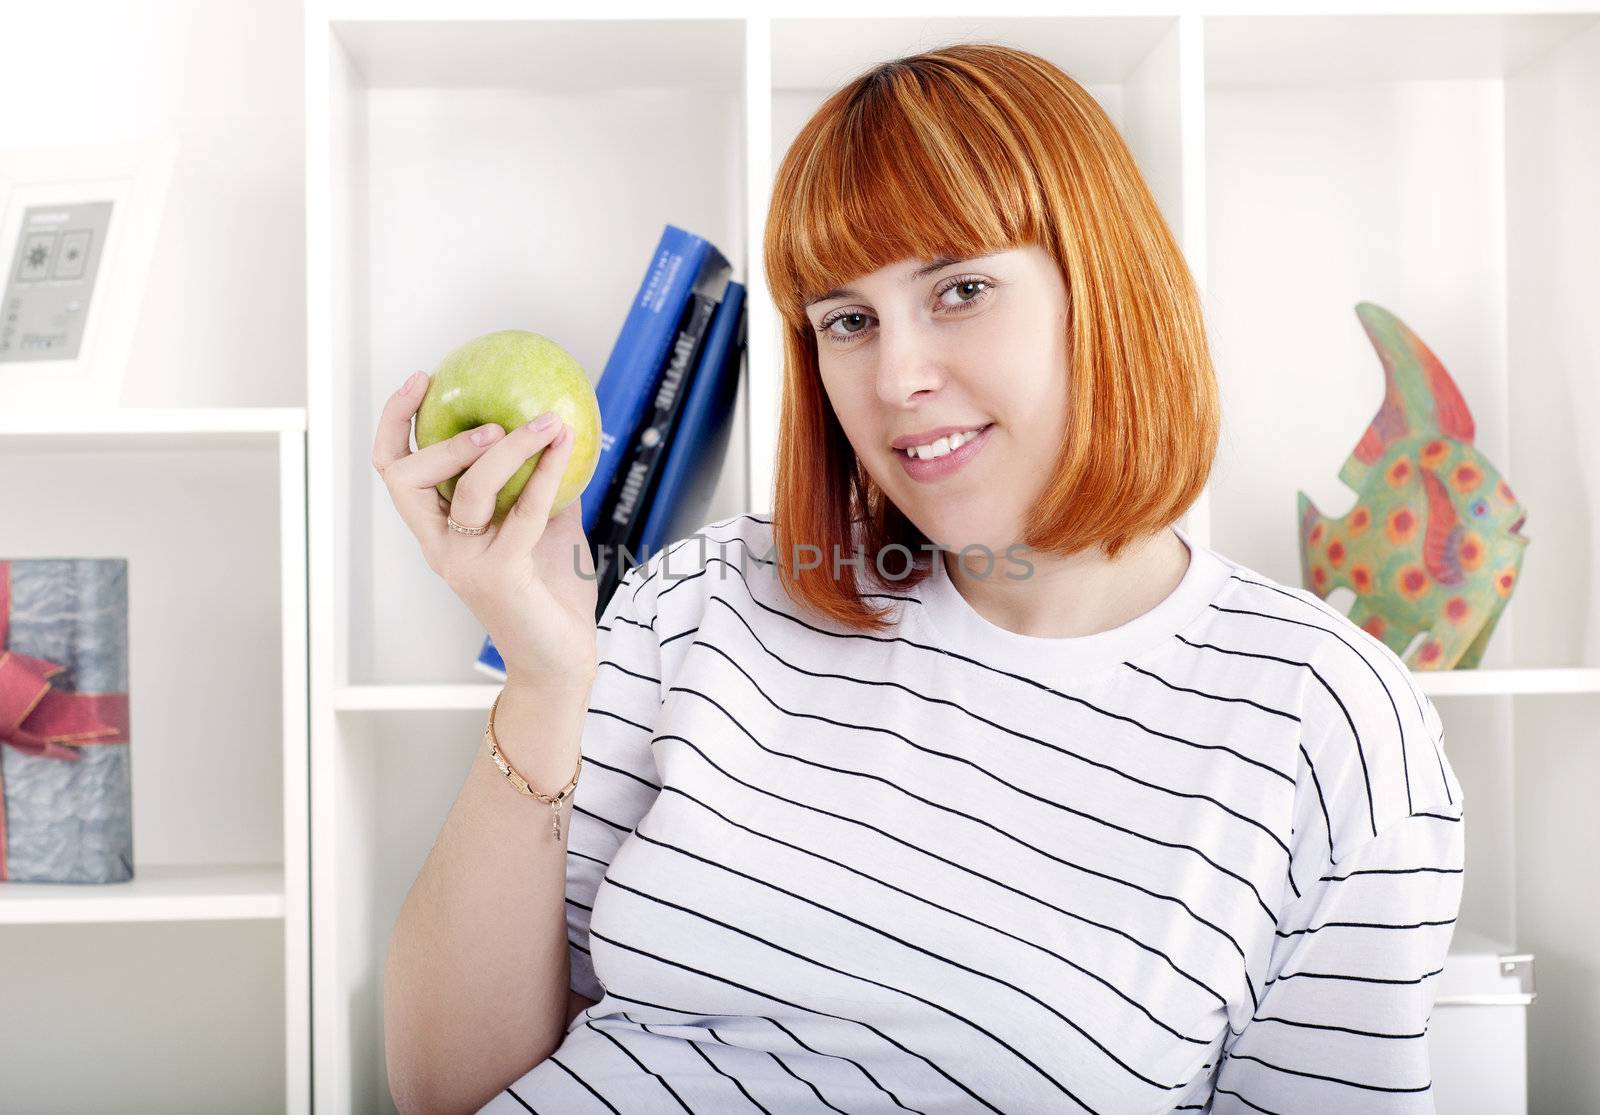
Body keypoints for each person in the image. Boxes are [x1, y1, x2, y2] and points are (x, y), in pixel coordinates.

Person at [378, 43, 1466, 1115]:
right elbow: (447, 1088)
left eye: (961, 290)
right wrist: (545, 676)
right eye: (848, 320)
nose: (896, 376)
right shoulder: (707, 599)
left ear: (1108, 292)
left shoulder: (1322, 721)